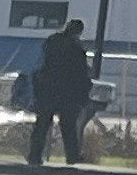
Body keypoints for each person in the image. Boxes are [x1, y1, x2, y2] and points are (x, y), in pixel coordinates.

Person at [28, 16, 94, 167]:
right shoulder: (76, 50)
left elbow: (39, 65)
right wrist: (84, 91)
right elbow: (80, 74)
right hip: (67, 93)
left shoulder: (51, 43)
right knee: (68, 125)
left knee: (42, 124)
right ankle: (72, 156)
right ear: (78, 32)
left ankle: (34, 156)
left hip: (47, 90)